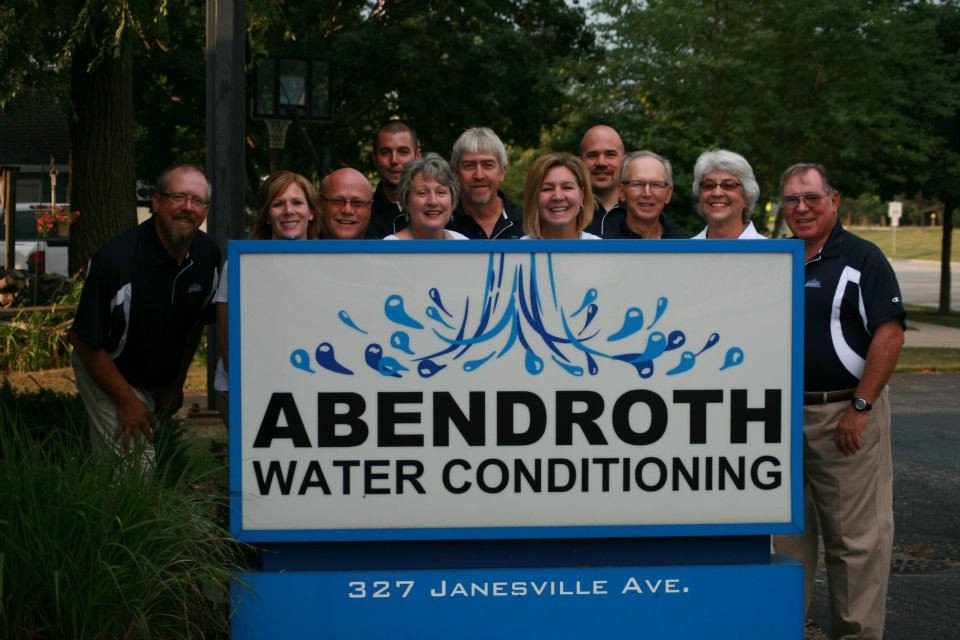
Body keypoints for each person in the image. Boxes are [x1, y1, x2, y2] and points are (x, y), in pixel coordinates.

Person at [773, 163, 905, 640]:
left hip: (844, 415)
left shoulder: (862, 258)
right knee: (784, 542)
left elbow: (889, 335)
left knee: (855, 544)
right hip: (781, 420)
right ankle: (782, 629)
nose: (801, 208)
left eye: (810, 197)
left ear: (834, 200)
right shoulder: (778, 257)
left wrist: (862, 407)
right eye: (791, 200)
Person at [69, 163, 221, 466]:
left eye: (198, 201)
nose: (188, 208)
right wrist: (127, 402)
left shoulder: (208, 256)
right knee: (135, 469)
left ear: (206, 210)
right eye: (178, 197)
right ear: (156, 201)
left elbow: (195, 325)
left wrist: (176, 383)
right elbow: (85, 341)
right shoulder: (118, 260)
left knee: (148, 459)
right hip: (106, 366)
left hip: (155, 373)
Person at [213, 171, 321, 426]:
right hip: (245, 387)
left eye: (297, 202)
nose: (288, 210)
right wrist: (245, 385)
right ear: (266, 215)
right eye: (278, 203)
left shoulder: (327, 264)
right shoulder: (240, 264)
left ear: (311, 212)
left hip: (309, 385)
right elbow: (226, 332)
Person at [446, 127, 523, 239]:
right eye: (469, 165)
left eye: (488, 165)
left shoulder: (526, 223)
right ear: (456, 173)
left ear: (502, 172)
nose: (479, 175)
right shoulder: (443, 223)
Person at [591, 150, 686, 239]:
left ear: (668, 194)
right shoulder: (603, 248)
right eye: (637, 184)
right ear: (622, 192)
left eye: (656, 185)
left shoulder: (686, 250)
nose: (647, 193)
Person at [384, 153, 468, 240]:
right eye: (422, 193)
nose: (433, 201)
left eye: (441, 192)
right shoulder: (387, 249)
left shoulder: (465, 244)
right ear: (406, 201)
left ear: (452, 199)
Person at [520, 153, 599, 240]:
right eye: (547, 189)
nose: (558, 197)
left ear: (582, 195)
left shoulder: (601, 249)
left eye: (567, 187)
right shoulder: (516, 251)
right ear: (534, 197)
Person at [691, 149, 766, 239]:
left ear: (746, 197)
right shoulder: (682, 251)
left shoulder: (771, 252)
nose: (717, 193)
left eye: (728, 185)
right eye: (709, 185)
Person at [366, 120, 421, 238]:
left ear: (417, 157)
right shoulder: (363, 212)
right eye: (385, 152)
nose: (394, 160)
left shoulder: (437, 209)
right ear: (375, 158)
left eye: (403, 152)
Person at [579, 125, 626, 230]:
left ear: (624, 162)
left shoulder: (641, 213)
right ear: (579, 162)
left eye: (610, 154)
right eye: (592, 155)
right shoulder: (565, 213)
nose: (601, 163)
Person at [318, 168, 374, 240]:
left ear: (370, 208)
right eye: (338, 201)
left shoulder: (384, 249)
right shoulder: (301, 249)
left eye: (357, 203)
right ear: (320, 205)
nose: (347, 210)